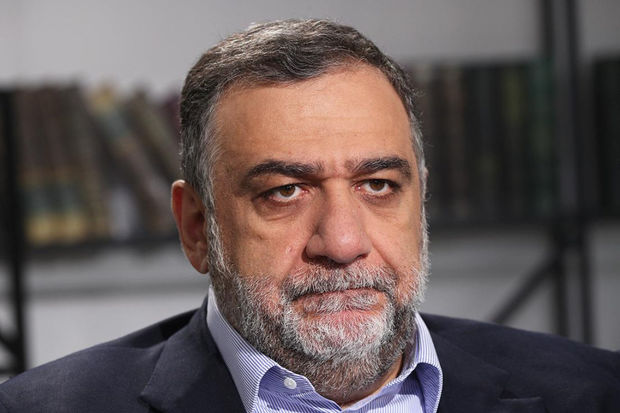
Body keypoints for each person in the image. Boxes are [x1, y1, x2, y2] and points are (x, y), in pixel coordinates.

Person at [1, 19, 619, 413]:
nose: (343, 243)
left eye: (378, 185)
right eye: (285, 192)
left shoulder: (596, 392)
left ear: (420, 201)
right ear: (196, 228)